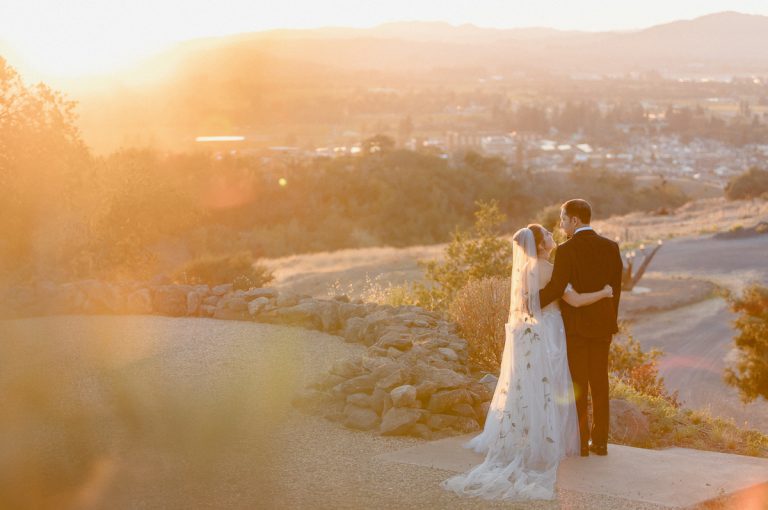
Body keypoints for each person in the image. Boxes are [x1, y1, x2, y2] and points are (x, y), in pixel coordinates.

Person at [441, 223, 613, 501]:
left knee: (531, 386)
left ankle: (530, 438)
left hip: (529, 333)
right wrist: (605, 293)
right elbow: (577, 301)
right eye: (546, 234)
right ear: (541, 245)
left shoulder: (524, 270)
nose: (551, 235)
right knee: (552, 385)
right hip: (550, 331)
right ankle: (549, 443)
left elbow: (526, 304)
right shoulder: (548, 269)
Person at [539, 199, 624, 457]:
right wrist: (610, 321)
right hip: (602, 327)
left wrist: (528, 302)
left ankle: (581, 443)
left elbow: (555, 289)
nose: (562, 225)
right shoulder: (611, 247)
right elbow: (615, 291)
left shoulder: (566, 250)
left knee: (578, 384)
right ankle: (600, 443)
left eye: (564, 220)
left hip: (576, 328)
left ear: (575, 220)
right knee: (600, 384)